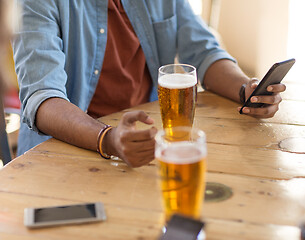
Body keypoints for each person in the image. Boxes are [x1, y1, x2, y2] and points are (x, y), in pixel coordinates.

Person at [13, 0, 286, 167]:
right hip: (62, 152)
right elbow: (43, 99)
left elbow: (204, 51)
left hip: (146, 144)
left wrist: (245, 89)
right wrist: (108, 139)